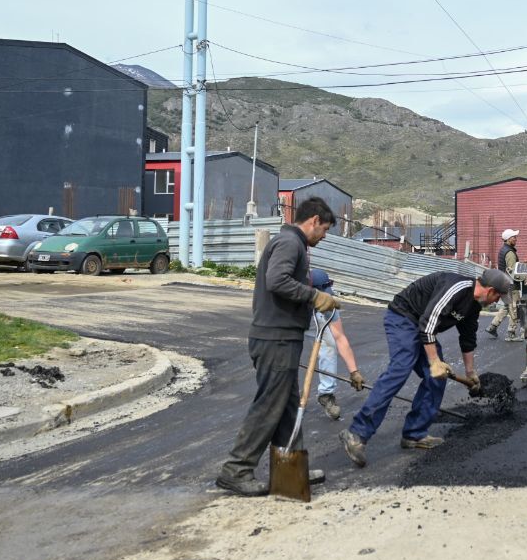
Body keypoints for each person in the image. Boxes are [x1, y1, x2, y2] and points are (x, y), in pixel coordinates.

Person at [217, 197, 341, 497]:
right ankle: (236, 469)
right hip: (276, 338)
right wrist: (314, 296)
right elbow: (277, 280)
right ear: (313, 221)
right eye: (323, 229)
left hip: (280, 336)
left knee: (287, 407)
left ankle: (291, 468)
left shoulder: (292, 243)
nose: (323, 236)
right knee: (270, 405)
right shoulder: (290, 244)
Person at [338, 269, 511, 467]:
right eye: (498, 296)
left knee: (436, 378)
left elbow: (468, 338)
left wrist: (471, 372)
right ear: (490, 290)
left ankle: (414, 434)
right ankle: (357, 434)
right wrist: (434, 361)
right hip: (403, 317)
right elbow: (428, 323)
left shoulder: (473, 307)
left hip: (422, 327)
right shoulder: (456, 288)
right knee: (400, 369)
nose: (497, 301)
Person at [308, 268, 365, 421]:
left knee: (329, 344)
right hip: (293, 321)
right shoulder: (293, 297)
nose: (327, 296)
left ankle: (326, 395)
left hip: (314, 319)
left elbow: (340, 338)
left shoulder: (327, 306)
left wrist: (354, 371)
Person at [486, 228, 522, 341]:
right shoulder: (510, 253)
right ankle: (511, 333)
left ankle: (492, 326)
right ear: (508, 239)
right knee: (514, 308)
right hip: (511, 286)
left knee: (507, 306)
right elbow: (512, 272)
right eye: (514, 237)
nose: (516, 239)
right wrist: (523, 278)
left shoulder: (503, 250)